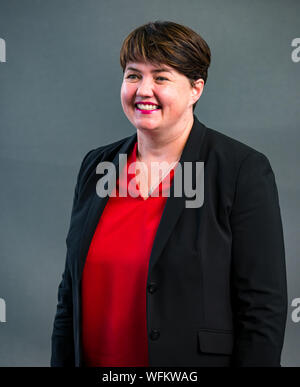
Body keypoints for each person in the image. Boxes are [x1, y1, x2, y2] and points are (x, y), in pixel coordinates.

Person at [50, 20, 288, 367]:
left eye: (161, 77)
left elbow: (263, 309)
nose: (143, 90)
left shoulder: (240, 169)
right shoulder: (97, 165)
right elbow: (68, 294)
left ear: (196, 89)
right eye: (133, 75)